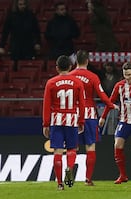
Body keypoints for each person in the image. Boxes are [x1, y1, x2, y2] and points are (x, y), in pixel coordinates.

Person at [68, 50, 118, 186]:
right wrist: (111, 105)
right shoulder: (93, 76)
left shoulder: (70, 76)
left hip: (73, 114)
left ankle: (69, 169)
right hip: (89, 114)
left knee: (72, 147)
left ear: (76, 61)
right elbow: (102, 95)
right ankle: (88, 180)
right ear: (87, 61)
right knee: (90, 146)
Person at [42, 55, 85, 190]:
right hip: (71, 119)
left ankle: (60, 184)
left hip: (56, 119)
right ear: (70, 67)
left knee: (58, 151)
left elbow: (46, 105)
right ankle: (69, 168)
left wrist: (46, 123)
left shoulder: (51, 82)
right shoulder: (78, 83)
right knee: (72, 149)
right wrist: (81, 121)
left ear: (57, 68)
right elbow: (82, 104)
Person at [99, 62, 131, 184]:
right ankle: (123, 175)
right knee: (118, 145)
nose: (127, 77)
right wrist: (103, 117)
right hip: (124, 121)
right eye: (125, 75)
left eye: (129, 74)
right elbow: (110, 101)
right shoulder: (119, 86)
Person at [0, 0, 41, 64]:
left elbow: (36, 31)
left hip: (28, 45)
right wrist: (2, 46)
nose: (22, 6)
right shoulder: (11, 16)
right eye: (20, 4)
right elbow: (5, 32)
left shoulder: (31, 16)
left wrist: (37, 42)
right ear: (17, 5)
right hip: (15, 46)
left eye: (24, 4)